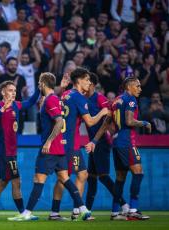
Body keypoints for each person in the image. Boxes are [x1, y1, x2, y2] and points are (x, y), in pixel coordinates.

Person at [7, 72, 91, 221]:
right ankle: (82, 209)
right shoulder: (56, 99)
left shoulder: (51, 99)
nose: (39, 85)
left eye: (40, 83)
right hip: (61, 148)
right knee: (65, 178)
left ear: (43, 84)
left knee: (39, 179)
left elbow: (59, 121)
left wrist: (48, 141)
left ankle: (26, 213)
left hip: (50, 148)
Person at [52, 67, 109, 220]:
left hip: (63, 141)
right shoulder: (79, 97)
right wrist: (103, 112)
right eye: (87, 80)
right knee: (75, 175)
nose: (90, 83)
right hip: (71, 143)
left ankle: (58, 212)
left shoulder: (65, 94)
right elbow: (90, 122)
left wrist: (63, 87)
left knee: (68, 177)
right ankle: (78, 209)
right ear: (79, 81)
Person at [0, 80, 39, 220]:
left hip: (11, 152)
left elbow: (30, 102)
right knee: (16, 181)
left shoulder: (16, 105)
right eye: (10, 90)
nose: (13, 93)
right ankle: (23, 212)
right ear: (3, 92)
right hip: (5, 152)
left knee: (2, 182)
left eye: (15, 90)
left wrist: (39, 89)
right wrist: (2, 109)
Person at [84, 73, 130, 220]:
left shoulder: (100, 99)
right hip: (93, 143)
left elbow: (108, 121)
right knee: (91, 178)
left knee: (103, 177)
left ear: (91, 83)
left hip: (101, 143)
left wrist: (97, 141)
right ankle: (87, 212)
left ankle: (124, 206)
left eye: (86, 81)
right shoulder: (84, 98)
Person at [111, 77, 151, 220]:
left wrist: (96, 140)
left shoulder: (116, 100)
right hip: (127, 142)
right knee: (138, 173)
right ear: (129, 86)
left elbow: (108, 122)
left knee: (120, 178)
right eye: (137, 86)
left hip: (116, 142)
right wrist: (144, 122)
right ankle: (133, 209)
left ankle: (115, 212)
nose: (140, 89)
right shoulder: (131, 100)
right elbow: (129, 121)